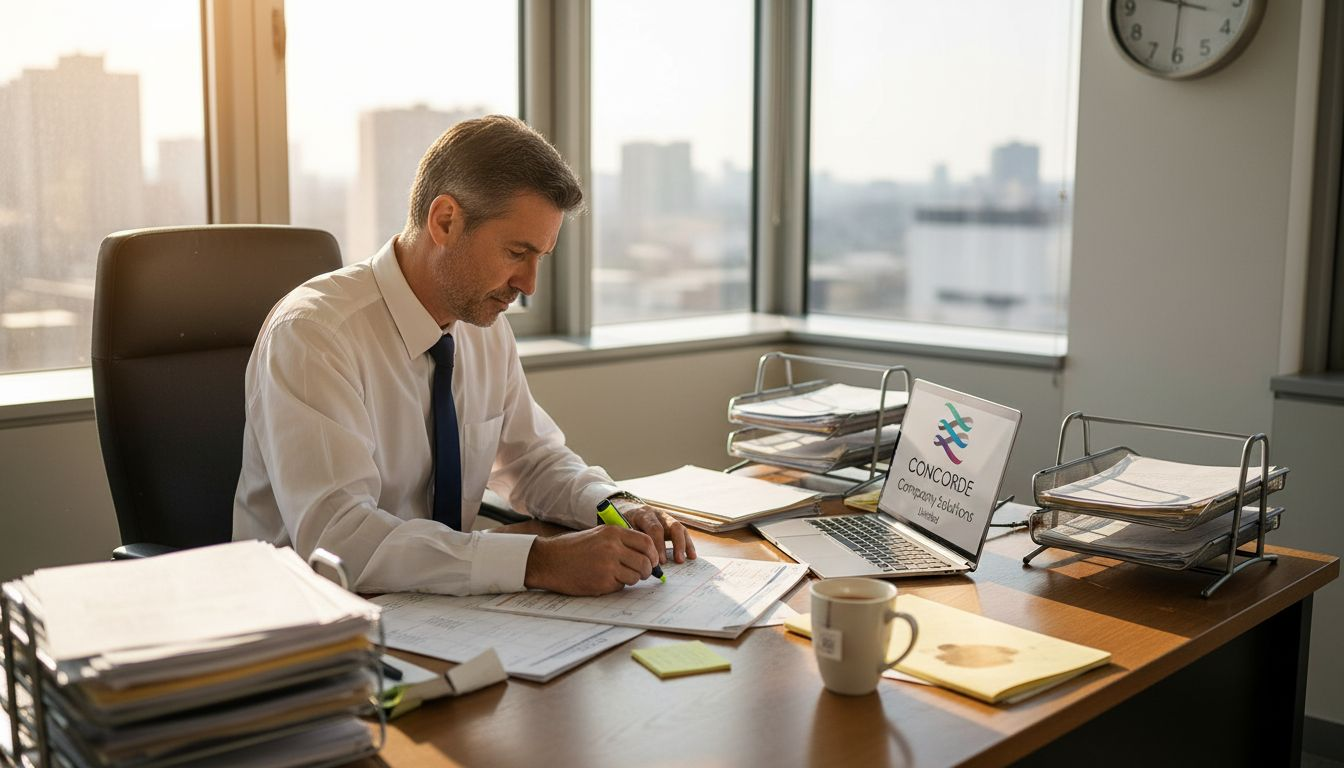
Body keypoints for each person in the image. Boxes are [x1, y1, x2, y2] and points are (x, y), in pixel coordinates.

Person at [233, 115, 695, 596]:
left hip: (442, 609)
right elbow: (341, 539)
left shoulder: (482, 327)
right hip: (313, 617)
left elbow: (532, 460)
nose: (529, 285)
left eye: (539, 258)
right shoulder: (315, 335)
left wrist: (616, 504)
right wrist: (538, 561)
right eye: (516, 253)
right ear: (445, 221)